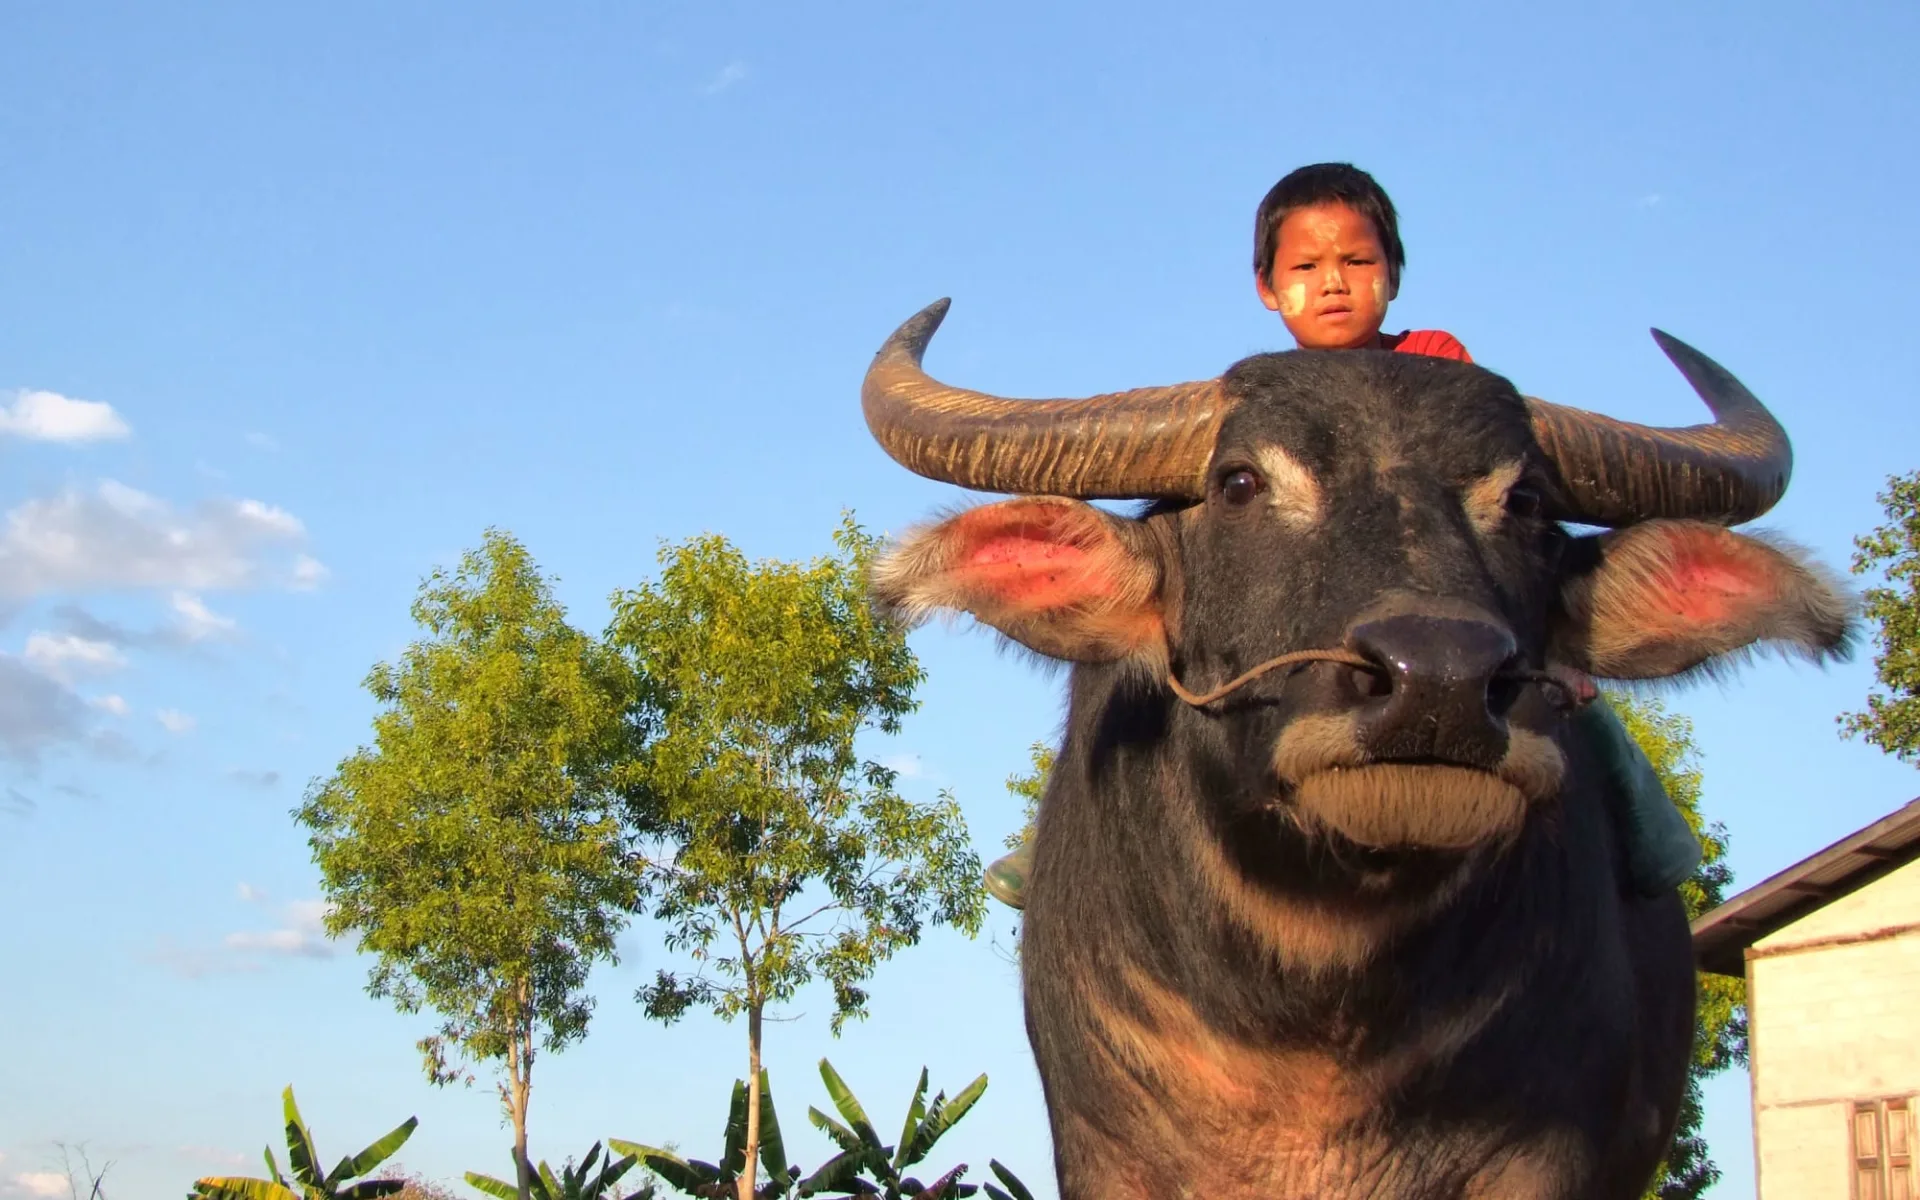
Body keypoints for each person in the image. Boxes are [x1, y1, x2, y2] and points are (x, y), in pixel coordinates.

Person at [983, 162, 1701, 911]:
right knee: (1144, 653)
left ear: (1392, 276)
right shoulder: (1251, 404)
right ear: (1267, 288)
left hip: (1451, 604)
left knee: (1563, 666)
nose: (1333, 283)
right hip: (1298, 627)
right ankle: (1057, 839)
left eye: (1357, 262)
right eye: (1306, 266)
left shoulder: (1439, 369)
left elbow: (1505, 513)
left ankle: (1650, 827)